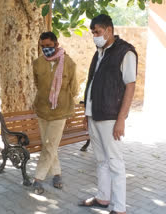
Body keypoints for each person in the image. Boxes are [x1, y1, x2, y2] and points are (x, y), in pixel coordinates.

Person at [78, 14, 137, 214]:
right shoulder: (99, 52)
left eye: (98, 32)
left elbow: (130, 86)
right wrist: (87, 115)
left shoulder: (125, 52)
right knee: (101, 160)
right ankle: (103, 198)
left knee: (114, 162)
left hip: (111, 116)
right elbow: (92, 83)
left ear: (109, 30)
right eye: (93, 33)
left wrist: (121, 119)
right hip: (94, 114)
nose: (95, 36)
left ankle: (119, 208)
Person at [32, 32, 78, 194]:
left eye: (49, 46)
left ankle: (38, 178)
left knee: (50, 144)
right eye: (42, 46)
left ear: (56, 45)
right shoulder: (37, 63)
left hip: (60, 111)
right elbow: (38, 84)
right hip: (42, 110)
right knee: (48, 144)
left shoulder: (69, 63)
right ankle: (57, 174)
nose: (45, 49)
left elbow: (74, 89)